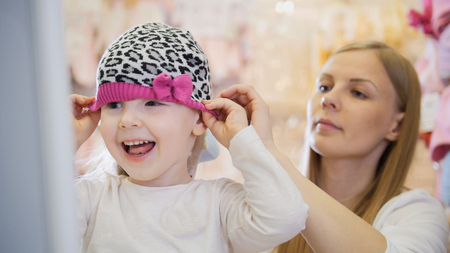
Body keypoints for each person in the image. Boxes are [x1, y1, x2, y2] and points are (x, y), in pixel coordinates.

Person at [71, 22, 309, 252]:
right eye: (113, 105)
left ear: (198, 119)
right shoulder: (92, 199)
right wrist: (65, 142)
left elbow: (285, 218)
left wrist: (243, 141)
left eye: (152, 103)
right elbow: (36, 226)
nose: (127, 120)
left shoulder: (219, 205)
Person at [214, 41, 449, 253]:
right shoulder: (258, 210)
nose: (328, 99)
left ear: (396, 126)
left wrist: (268, 153)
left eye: (358, 93)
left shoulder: (418, 213)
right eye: (324, 87)